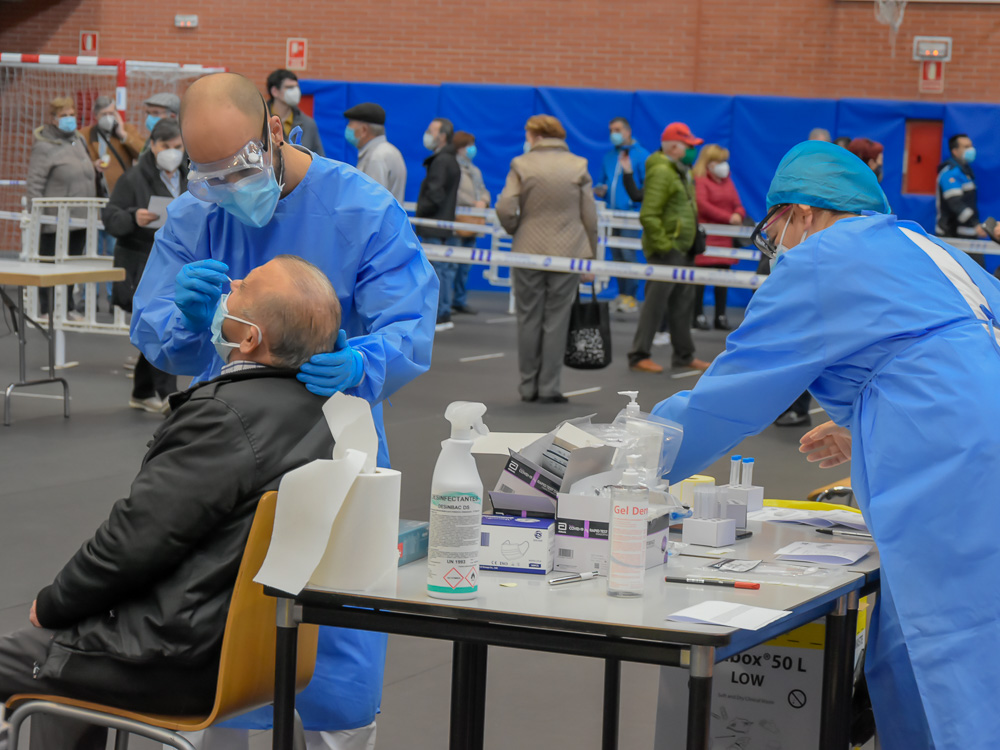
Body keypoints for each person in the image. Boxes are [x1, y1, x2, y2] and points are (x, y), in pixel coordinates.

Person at [652, 139, 1000, 750]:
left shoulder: (823, 259)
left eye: (775, 231)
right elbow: (951, 351)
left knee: (957, 656)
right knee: (903, 649)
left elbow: (724, 399)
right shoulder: (926, 246)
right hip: (968, 440)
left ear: (803, 214)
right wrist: (866, 419)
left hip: (962, 469)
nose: (777, 249)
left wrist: (623, 463)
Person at [130, 72, 437, 749]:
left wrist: (367, 361)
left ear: (275, 128)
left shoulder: (357, 209)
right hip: (223, 457)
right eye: (207, 176)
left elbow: (410, 320)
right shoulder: (195, 216)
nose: (227, 192)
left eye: (237, 168)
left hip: (336, 452)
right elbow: (155, 330)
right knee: (222, 644)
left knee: (340, 653)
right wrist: (182, 317)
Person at [0, 256, 343, 750]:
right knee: (63, 664)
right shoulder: (323, 416)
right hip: (257, 655)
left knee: (37, 646)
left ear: (249, 339)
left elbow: (134, 541)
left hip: (170, 657)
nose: (232, 284)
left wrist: (52, 604)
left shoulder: (225, 417)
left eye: (242, 288)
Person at [496, 114, 598, 404]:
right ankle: (549, 387)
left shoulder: (521, 164)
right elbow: (589, 216)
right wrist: (592, 256)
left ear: (536, 135)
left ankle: (527, 386)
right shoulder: (579, 166)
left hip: (528, 249)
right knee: (557, 319)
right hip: (568, 252)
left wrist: (516, 228)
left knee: (528, 317)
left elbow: (505, 207)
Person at [102, 118, 187, 413]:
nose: (172, 153)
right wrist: (132, 217)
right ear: (152, 146)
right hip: (142, 263)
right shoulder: (133, 178)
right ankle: (168, 394)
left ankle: (141, 391)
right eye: (166, 146)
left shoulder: (189, 177)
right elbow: (110, 217)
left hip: (176, 263)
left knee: (158, 326)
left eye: (178, 146)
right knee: (162, 326)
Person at [627, 122, 711, 374]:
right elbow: (649, 214)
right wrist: (665, 245)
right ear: (674, 147)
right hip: (668, 250)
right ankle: (638, 354)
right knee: (655, 304)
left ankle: (684, 355)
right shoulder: (663, 171)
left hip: (683, 248)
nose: (692, 151)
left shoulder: (680, 170)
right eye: (688, 146)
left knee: (682, 304)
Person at [26, 95, 96, 321]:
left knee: (72, 263)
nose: (69, 119)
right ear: (54, 119)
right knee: (49, 263)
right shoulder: (44, 146)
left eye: (72, 114)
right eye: (64, 115)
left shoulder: (78, 140)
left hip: (81, 216)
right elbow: (34, 183)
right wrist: (37, 217)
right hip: (54, 218)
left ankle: (67, 307)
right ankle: (46, 309)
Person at [81, 95, 146, 311]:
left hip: (118, 205)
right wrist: (92, 164)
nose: (108, 118)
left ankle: (112, 298)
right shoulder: (85, 135)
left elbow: (144, 154)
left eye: (111, 113)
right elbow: (78, 161)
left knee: (112, 252)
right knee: (88, 251)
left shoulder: (126, 131)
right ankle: (84, 298)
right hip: (92, 203)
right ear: (95, 116)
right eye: (104, 115)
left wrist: (124, 135)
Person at [595, 117, 650, 313]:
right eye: (611, 130)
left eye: (617, 129)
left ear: (627, 131)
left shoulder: (642, 155)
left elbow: (647, 187)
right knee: (617, 255)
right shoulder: (609, 157)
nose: (613, 134)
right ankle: (622, 294)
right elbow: (602, 181)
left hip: (631, 214)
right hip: (611, 214)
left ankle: (632, 296)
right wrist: (600, 189)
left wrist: (635, 204)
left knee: (628, 254)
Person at [415, 117, 461, 331]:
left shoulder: (442, 161)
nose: (427, 134)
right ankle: (442, 311)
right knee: (441, 269)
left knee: (438, 270)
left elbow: (435, 194)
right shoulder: (448, 160)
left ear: (442, 136)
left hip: (435, 223)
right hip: (441, 223)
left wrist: (421, 211)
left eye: (431, 130)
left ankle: (441, 314)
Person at [692, 143, 745, 331]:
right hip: (707, 238)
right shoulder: (699, 180)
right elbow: (702, 204)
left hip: (725, 238)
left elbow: (737, 203)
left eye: (724, 161)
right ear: (709, 163)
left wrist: (738, 213)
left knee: (723, 280)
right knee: (700, 280)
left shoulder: (728, 181)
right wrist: (728, 217)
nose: (724, 165)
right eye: (720, 161)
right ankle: (697, 314)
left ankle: (720, 316)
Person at [451, 130, 491, 316]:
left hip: (474, 222)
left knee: (465, 266)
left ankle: (460, 300)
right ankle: (444, 303)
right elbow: (455, 193)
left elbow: (483, 190)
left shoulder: (475, 171)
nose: (472, 149)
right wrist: (471, 202)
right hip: (458, 222)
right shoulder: (453, 167)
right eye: (468, 145)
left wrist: (483, 200)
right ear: (460, 147)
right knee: (451, 265)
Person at [937, 133, 988, 266]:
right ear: (955, 151)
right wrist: (975, 224)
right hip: (952, 235)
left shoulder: (965, 171)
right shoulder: (950, 173)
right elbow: (956, 204)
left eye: (971, 146)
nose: (971, 149)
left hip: (968, 233)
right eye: (966, 146)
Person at [343, 102, 406, 204]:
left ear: (363, 130)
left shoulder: (376, 157)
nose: (348, 128)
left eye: (350, 123)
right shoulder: (391, 151)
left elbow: (372, 202)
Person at [266, 68, 325, 156]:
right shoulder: (260, 121)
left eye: (296, 87)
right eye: (289, 87)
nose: (295, 91)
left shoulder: (308, 124)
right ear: (275, 91)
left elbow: (319, 160)